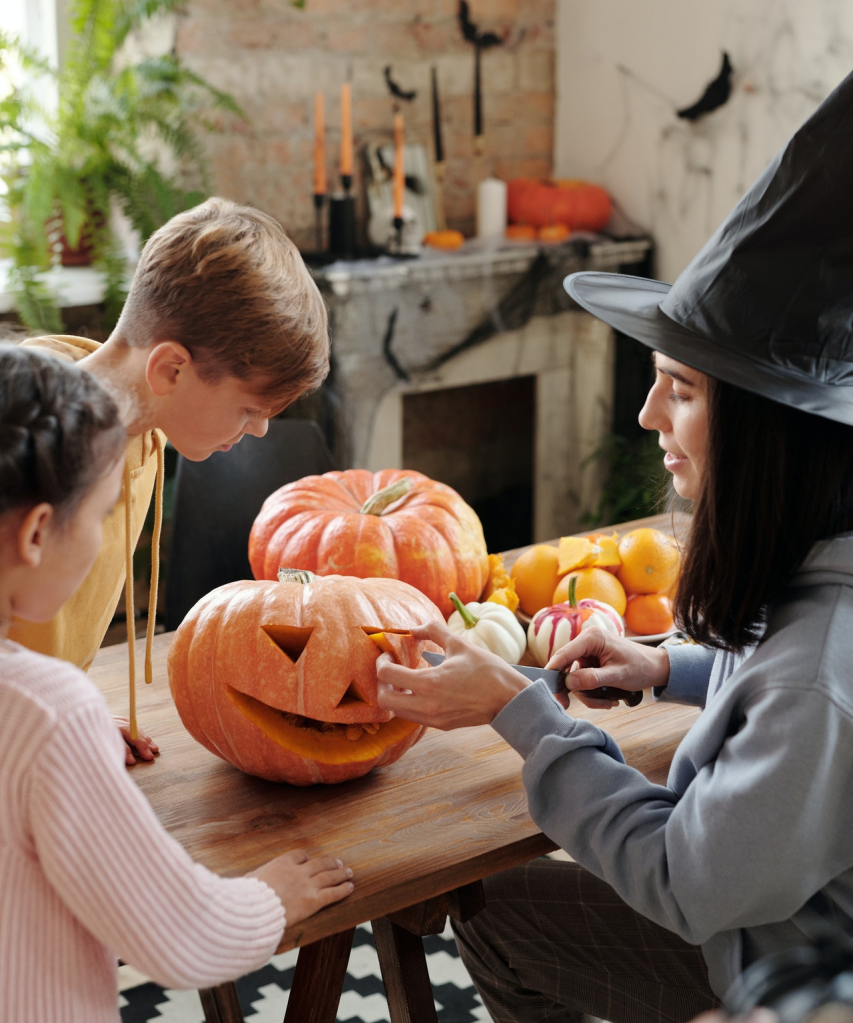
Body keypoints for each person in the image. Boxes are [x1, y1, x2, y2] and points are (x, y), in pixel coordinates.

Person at [375, 72, 853, 1022]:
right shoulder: (823, 557)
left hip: (776, 980)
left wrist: (522, 712)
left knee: (494, 911)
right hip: (770, 922)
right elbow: (777, 678)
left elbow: (684, 880)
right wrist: (666, 665)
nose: (646, 415)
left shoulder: (819, 670)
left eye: (680, 388)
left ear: (768, 427)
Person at [0, 345, 352, 1022]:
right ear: (39, 532)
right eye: (103, 516)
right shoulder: (48, 712)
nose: (106, 543)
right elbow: (183, 937)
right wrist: (272, 894)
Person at [10, 197, 330, 761]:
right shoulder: (20, 433)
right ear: (171, 369)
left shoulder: (144, 436)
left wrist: (65, 711)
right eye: (249, 409)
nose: (257, 432)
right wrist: (44, 724)